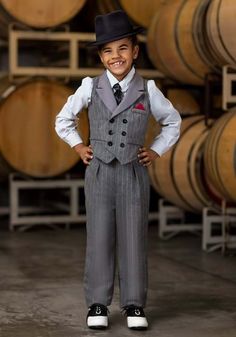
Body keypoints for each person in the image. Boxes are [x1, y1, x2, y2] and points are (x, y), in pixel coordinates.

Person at [55, 10, 181, 330]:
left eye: (123, 48)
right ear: (101, 55)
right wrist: (78, 146)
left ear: (135, 51)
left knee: (133, 237)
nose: (116, 56)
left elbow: (173, 122)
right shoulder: (90, 87)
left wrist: (155, 149)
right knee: (99, 236)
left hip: (132, 173)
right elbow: (63, 119)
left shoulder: (147, 89)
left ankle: (134, 304)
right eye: (108, 51)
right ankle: (97, 303)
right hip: (99, 172)